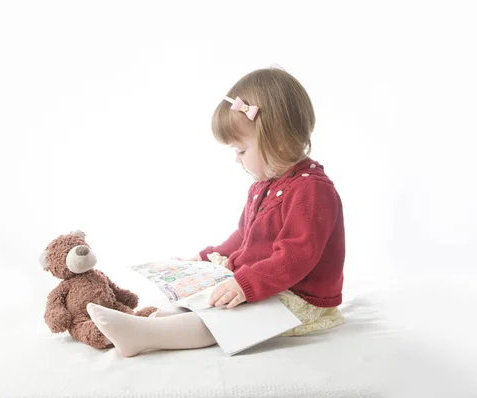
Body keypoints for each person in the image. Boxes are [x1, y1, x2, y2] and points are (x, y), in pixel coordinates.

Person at [87, 66, 346, 357]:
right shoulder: (264, 184)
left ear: (279, 140)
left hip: (300, 296)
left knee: (228, 320)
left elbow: (296, 256)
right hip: (269, 281)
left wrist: (247, 283)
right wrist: (209, 255)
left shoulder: (312, 191)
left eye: (241, 150)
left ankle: (147, 336)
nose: (237, 159)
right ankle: (160, 321)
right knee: (211, 299)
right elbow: (245, 235)